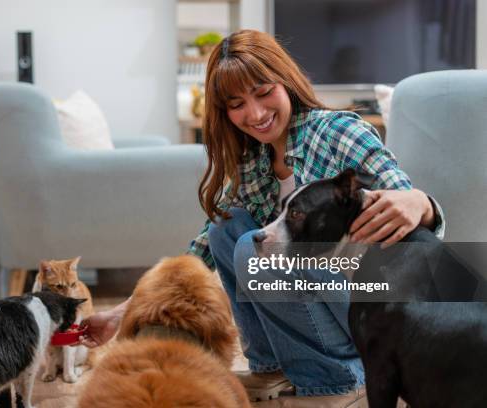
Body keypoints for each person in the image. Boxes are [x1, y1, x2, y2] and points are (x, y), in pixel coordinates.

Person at [78, 30, 444, 406]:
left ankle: (339, 378)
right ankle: (272, 366)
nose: (254, 114)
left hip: (371, 309)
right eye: (237, 103)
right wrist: (122, 313)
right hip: (327, 302)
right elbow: (202, 250)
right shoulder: (254, 161)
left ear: (284, 80)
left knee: (254, 252)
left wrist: (421, 202)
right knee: (226, 228)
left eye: (263, 91)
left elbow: (404, 204)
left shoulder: (338, 131)